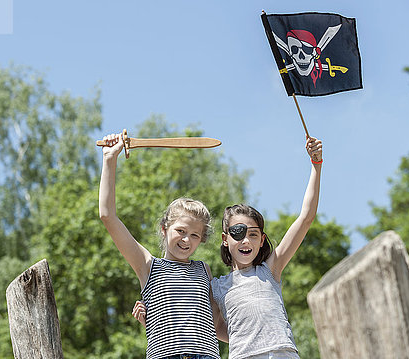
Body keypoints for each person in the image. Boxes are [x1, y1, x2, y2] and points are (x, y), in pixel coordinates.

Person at [133, 136, 323, 359]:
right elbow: (209, 325)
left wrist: (316, 166)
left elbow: (306, 218)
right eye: (237, 233)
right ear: (225, 239)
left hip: (282, 353)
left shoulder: (270, 270)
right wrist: (155, 318)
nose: (245, 241)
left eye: (253, 234)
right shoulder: (217, 286)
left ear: (262, 240)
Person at [99, 132, 226, 359]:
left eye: (195, 235)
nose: (187, 240)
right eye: (181, 231)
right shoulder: (147, 265)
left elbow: (215, 323)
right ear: (164, 229)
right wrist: (110, 159)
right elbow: (108, 216)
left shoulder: (203, 270)